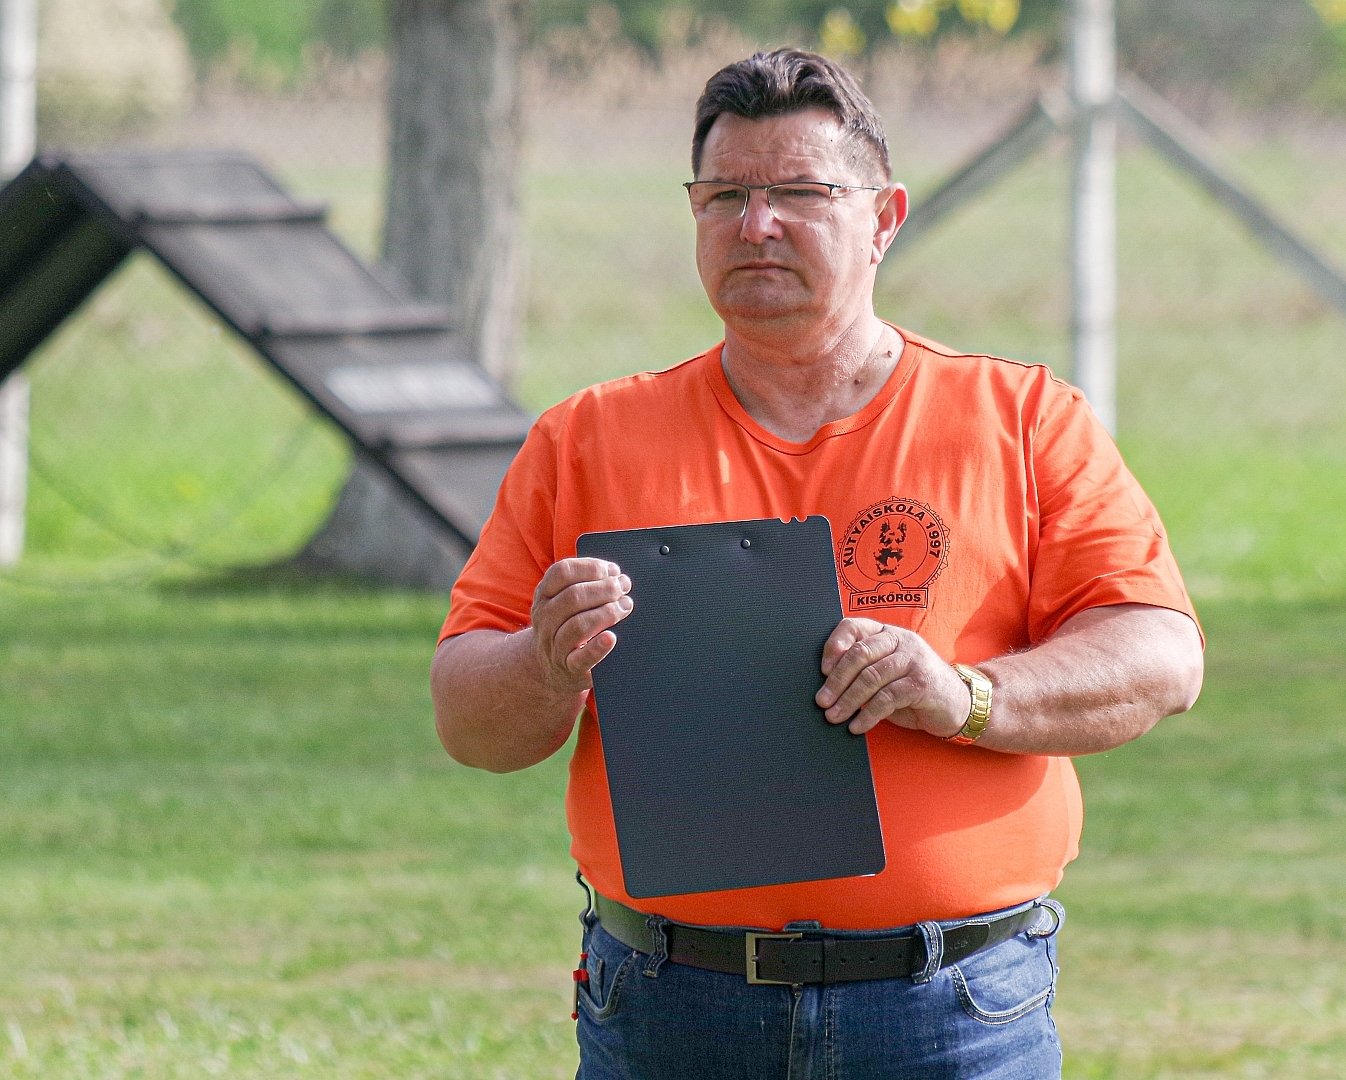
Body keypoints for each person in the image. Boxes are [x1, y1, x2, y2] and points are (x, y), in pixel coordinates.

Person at [430, 47, 1204, 1080]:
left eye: (800, 192)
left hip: (954, 1009)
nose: (757, 224)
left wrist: (964, 696)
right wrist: (543, 660)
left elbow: (1160, 658)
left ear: (885, 218)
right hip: (670, 1004)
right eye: (725, 196)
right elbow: (466, 720)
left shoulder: (1019, 418)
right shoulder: (588, 440)